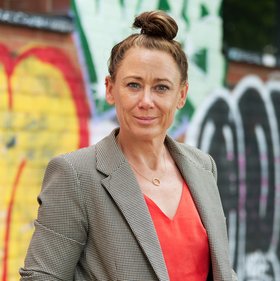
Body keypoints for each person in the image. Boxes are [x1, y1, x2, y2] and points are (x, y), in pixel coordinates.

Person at [20, 10, 237, 281]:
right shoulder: (75, 175)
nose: (146, 100)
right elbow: (41, 277)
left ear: (181, 95)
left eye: (161, 88)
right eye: (134, 85)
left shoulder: (203, 167)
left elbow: (220, 270)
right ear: (110, 89)